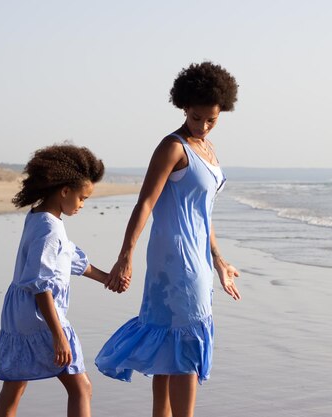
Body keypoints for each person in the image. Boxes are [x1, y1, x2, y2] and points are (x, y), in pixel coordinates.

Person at [94, 62, 241, 417]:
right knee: (186, 343)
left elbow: (203, 216)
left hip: (198, 258)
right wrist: (125, 255)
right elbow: (145, 202)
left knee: (167, 347)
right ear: (183, 107)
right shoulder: (173, 147)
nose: (202, 125)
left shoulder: (209, 149)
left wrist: (220, 261)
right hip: (176, 260)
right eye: (195, 117)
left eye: (211, 119)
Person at [0, 144, 129, 417]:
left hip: (18, 315)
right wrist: (58, 336)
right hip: (42, 315)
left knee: (14, 386)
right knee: (81, 387)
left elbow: (69, 260)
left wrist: (107, 279)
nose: (81, 205)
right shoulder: (49, 228)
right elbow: (41, 285)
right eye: (82, 198)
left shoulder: (39, 216)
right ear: (65, 191)